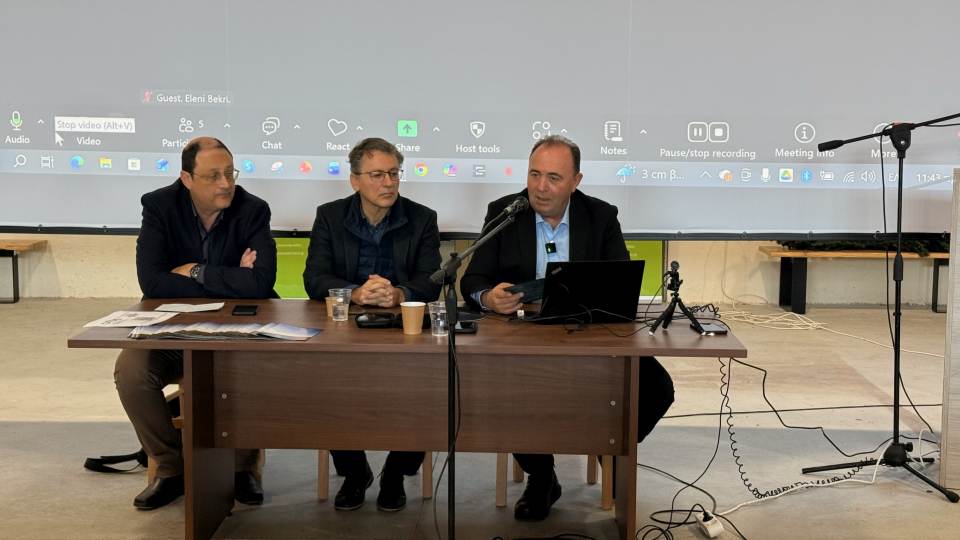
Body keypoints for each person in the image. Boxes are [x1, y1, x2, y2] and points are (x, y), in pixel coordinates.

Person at [460, 135, 675, 521]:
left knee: (657, 387)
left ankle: (610, 447)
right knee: (507, 389)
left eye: (554, 178)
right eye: (534, 174)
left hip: (588, 334)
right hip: (524, 337)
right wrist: (488, 297)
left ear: (576, 181)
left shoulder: (600, 216)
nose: (540, 187)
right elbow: (472, 279)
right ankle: (542, 477)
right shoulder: (505, 212)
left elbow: (620, 281)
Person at [114, 136, 277, 510]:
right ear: (186, 178)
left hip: (238, 327)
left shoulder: (253, 209)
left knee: (257, 366)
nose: (225, 184)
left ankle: (242, 468)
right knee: (132, 371)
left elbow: (260, 283)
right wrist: (231, 276)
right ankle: (171, 467)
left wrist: (194, 271)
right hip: (174, 325)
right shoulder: (159, 206)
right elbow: (152, 283)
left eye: (230, 173)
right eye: (213, 176)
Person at [303, 137, 442, 512]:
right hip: (348, 327)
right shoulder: (330, 216)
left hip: (403, 327)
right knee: (328, 385)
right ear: (355, 180)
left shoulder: (422, 218)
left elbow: (432, 279)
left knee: (426, 387)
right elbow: (314, 279)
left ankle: (395, 473)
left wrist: (397, 293)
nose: (389, 183)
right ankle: (354, 472)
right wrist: (356, 293)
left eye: (394, 173)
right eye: (378, 175)